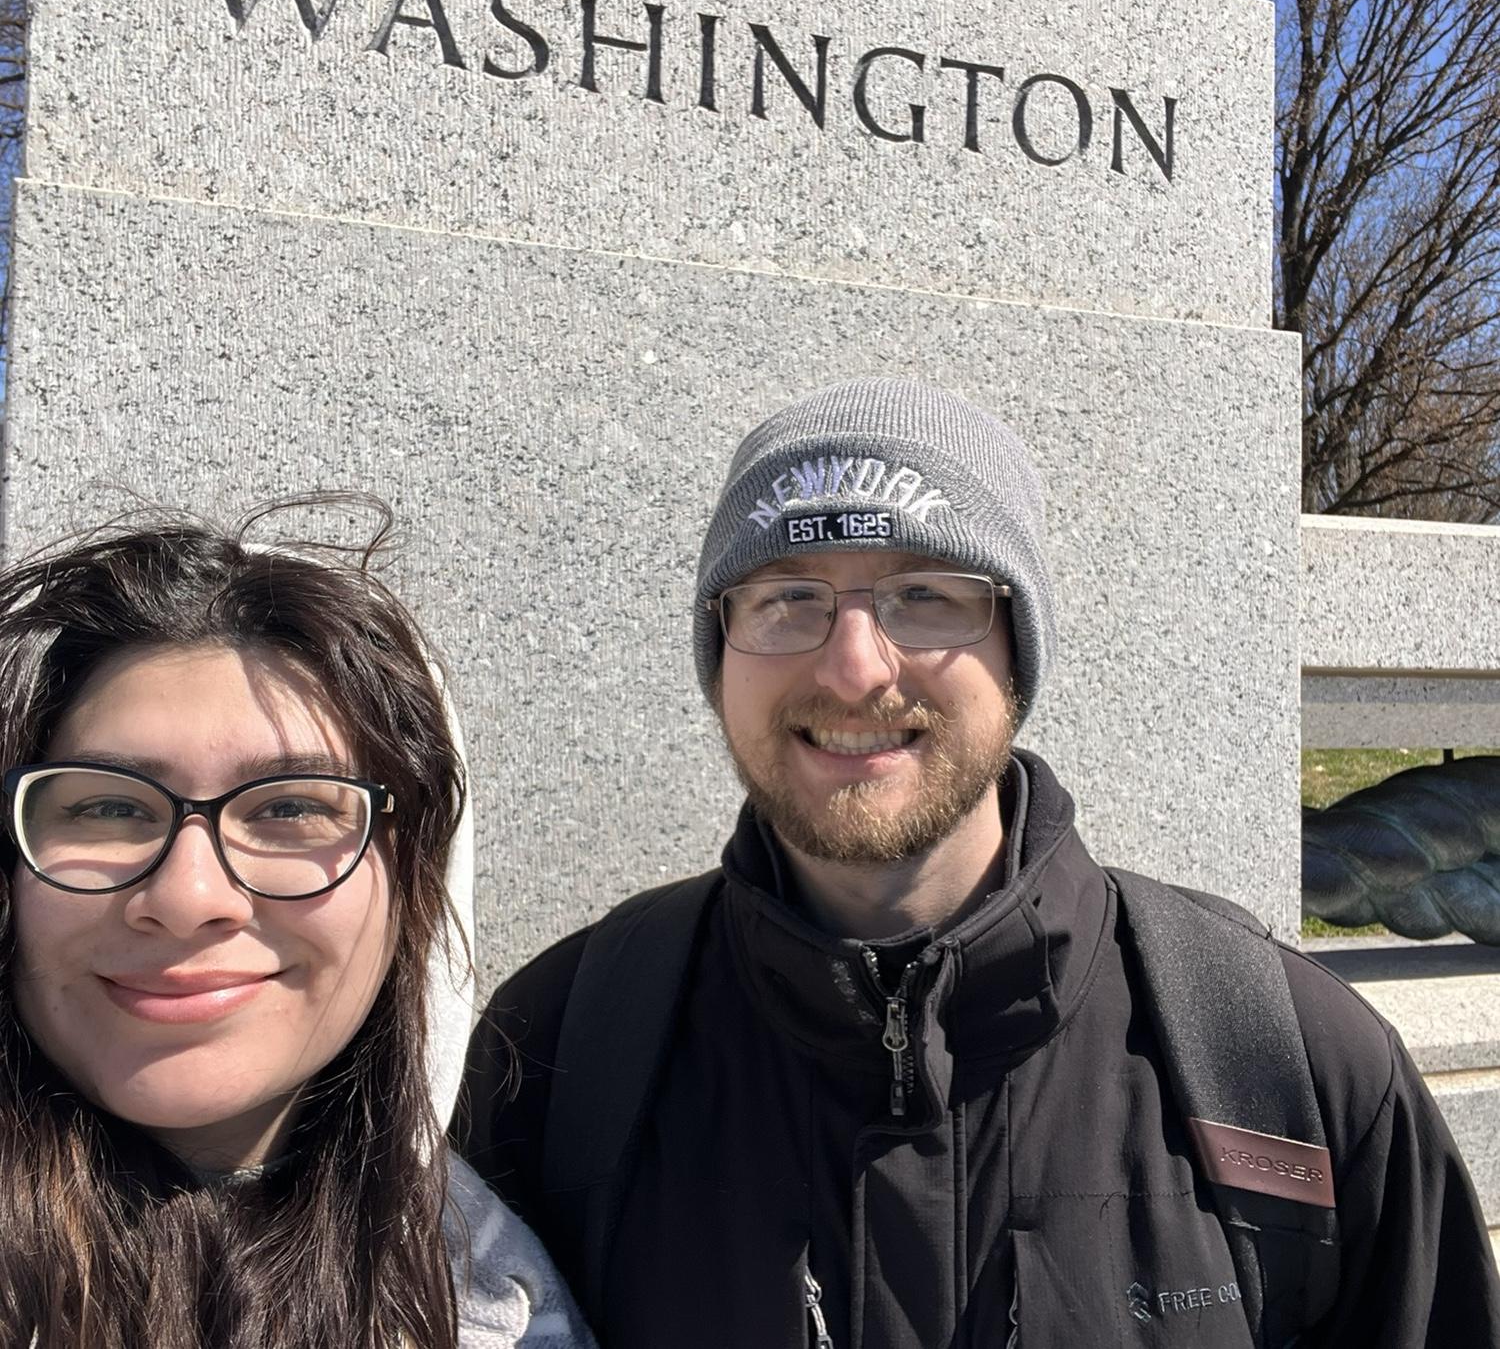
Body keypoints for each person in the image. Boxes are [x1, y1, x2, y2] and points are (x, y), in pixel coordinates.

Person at [458, 379, 1500, 1348]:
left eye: (925, 593)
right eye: (787, 598)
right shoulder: (554, 1057)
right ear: (721, 652)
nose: (854, 666)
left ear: (1017, 651)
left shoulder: (1293, 1065)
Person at [0, 500, 595, 1349]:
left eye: (289, 808)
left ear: (417, 883)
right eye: (106, 806)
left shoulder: (498, 1308)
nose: (188, 894)